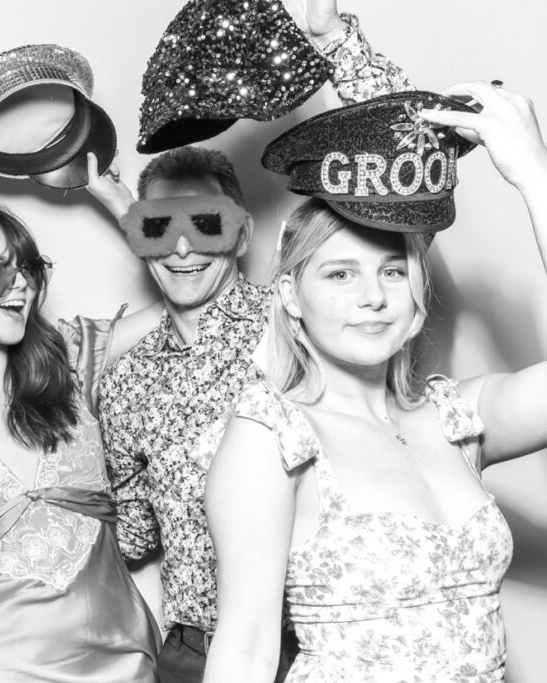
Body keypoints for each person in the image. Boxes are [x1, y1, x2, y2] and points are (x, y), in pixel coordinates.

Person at [86, 3, 415, 679]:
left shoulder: (296, 323)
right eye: (158, 228)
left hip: (320, 639)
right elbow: (135, 533)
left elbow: (396, 179)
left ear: (239, 232)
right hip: (193, 650)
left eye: (204, 223)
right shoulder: (123, 378)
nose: (181, 249)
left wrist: (334, 41)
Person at [202, 82, 547, 682]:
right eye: (340, 274)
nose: (371, 297)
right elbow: (245, 653)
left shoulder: (459, 417)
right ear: (291, 296)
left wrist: (533, 176)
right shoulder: (273, 435)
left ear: (416, 289)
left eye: (392, 269)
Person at [0, 204, 162, 682]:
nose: (20, 282)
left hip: (117, 657)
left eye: (27, 267)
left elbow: (190, 298)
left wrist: (126, 207)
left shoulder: (71, 361)